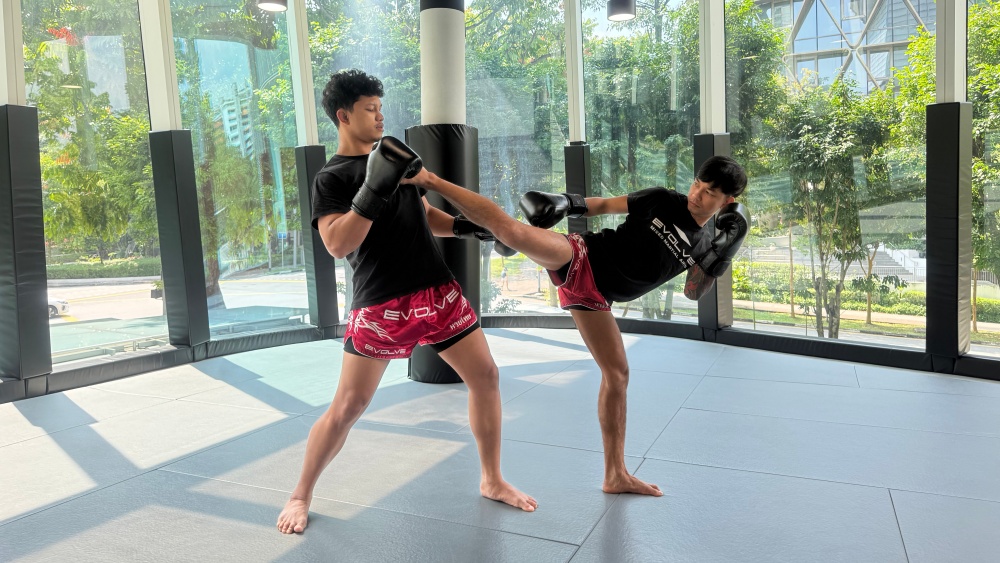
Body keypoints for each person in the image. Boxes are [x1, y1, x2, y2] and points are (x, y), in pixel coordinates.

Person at [277, 69, 536, 535]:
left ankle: (492, 479)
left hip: (437, 291)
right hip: (383, 305)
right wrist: (372, 189)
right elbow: (337, 243)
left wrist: (467, 228)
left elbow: (424, 213)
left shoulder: (396, 160)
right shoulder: (332, 178)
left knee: (486, 377)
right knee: (349, 405)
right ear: (343, 116)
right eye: (369, 109)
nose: (380, 116)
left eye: (381, 107)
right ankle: (299, 494)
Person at [404, 153, 748, 497]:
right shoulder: (662, 199)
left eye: (709, 193)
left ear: (727, 202)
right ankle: (432, 181)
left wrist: (725, 251)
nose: (696, 194)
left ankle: (616, 475)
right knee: (511, 229)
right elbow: (604, 206)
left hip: (596, 298)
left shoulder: (707, 244)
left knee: (618, 375)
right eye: (697, 184)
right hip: (582, 257)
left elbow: (693, 291)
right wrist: (566, 202)